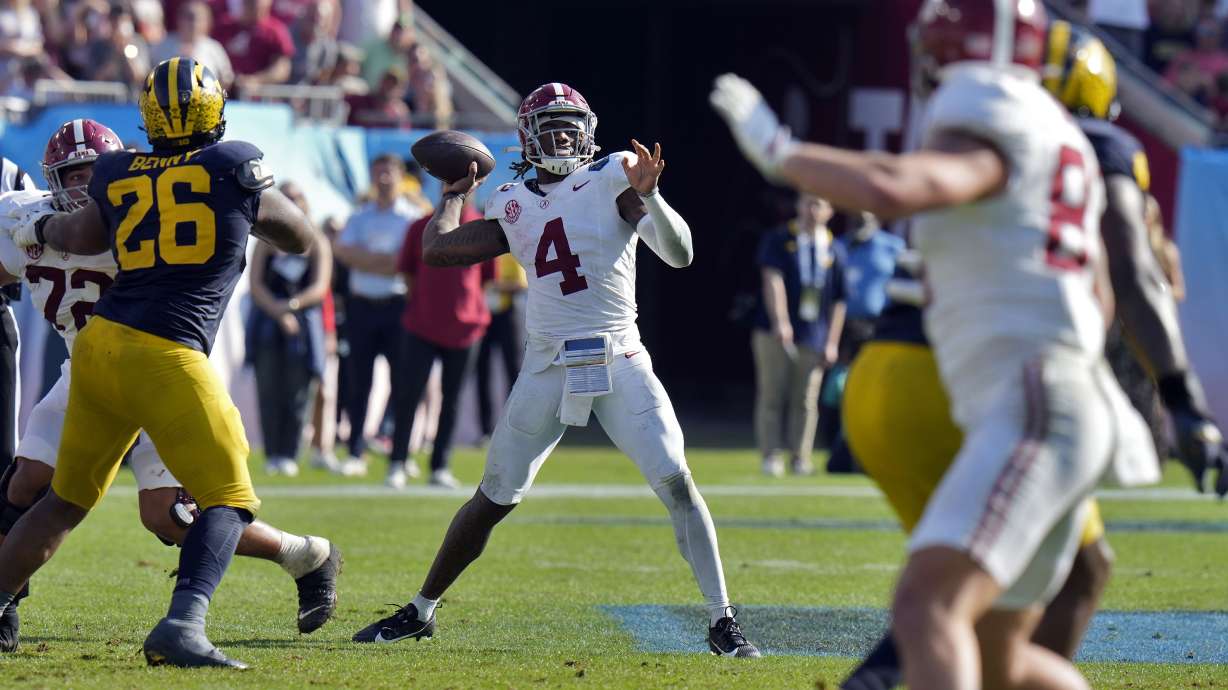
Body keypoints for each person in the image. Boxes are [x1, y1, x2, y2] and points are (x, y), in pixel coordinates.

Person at [711, 2, 1162, 688]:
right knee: (999, 661)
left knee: (928, 607)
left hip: (1033, 401)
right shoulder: (1059, 134)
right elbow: (1098, 297)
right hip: (1057, 395)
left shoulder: (993, 106)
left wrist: (781, 151)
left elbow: (897, 187)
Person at [352, 82, 760, 658]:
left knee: (677, 481)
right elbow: (438, 250)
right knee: (494, 497)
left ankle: (722, 621)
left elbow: (680, 254)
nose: (565, 137)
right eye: (553, 128)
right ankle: (421, 610)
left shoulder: (613, 177)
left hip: (618, 356)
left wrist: (653, 196)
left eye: (573, 127)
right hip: (547, 364)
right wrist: (453, 194)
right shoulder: (511, 199)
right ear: (528, 138)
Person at [0, 57, 319, 669]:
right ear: (214, 112)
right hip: (168, 353)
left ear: (148, 117)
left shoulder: (118, 172)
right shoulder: (232, 165)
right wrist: (245, 202)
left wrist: (40, 226)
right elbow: (300, 237)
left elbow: (80, 237)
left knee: (63, 501)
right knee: (227, 498)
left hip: (98, 351)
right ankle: (183, 625)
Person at [387, 193, 493, 489]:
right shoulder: (420, 226)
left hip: (466, 328)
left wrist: (466, 308)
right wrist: (425, 305)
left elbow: (486, 278)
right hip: (421, 324)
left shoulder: (484, 226)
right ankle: (397, 462)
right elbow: (408, 273)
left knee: (452, 399)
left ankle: (440, 466)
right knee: (408, 395)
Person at [333, 153, 421, 475]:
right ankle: (355, 452)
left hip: (397, 306)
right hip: (362, 306)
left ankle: (400, 454)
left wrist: (368, 259)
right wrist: (385, 261)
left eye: (388, 173)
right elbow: (344, 252)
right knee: (359, 382)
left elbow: (407, 262)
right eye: (378, 173)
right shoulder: (360, 216)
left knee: (403, 382)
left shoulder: (411, 217)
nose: (383, 179)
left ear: (399, 176)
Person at [751, 193, 845, 478]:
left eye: (819, 204)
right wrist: (781, 321)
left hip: (814, 335)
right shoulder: (780, 239)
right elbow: (772, 279)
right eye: (807, 202)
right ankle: (771, 455)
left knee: (806, 399)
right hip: (773, 332)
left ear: (830, 211)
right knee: (772, 394)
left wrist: (832, 342)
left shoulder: (835, 248)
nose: (811, 209)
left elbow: (839, 300)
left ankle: (800, 457)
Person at [247, 181, 332, 476]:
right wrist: (278, 311)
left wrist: (292, 306)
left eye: (297, 197)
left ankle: (290, 454)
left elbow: (320, 286)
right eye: (286, 197)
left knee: (299, 392)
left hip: (305, 326)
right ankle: (272, 453)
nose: (292, 202)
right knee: (268, 389)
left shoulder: (317, 240)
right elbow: (256, 284)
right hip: (267, 323)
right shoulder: (265, 240)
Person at [476, 253, 526, 443]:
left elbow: (521, 284)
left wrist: (495, 285)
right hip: (483, 316)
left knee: (513, 371)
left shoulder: (509, 254)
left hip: (507, 314)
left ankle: (513, 426)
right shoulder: (480, 254)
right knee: (482, 373)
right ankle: (486, 431)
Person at [212, 0, 294, 94]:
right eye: (251, 3)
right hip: (224, 91)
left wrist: (256, 80)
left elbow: (282, 69)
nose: (255, 8)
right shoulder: (224, 26)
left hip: (258, 97)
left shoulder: (275, 31)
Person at [152, 1, 235, 92]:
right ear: (179, 19)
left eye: (199, 19)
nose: (194, 23)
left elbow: (227, 78)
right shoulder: (163, 45)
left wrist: (213, 94)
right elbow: (150, 74)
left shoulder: (214, 48)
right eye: (189, 18)